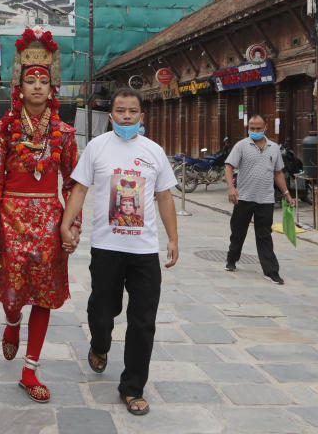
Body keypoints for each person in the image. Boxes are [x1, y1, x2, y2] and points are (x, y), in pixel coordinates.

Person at [60, 87, 179, 417]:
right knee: (103, 309)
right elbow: (80, 188)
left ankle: (132, 387)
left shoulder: (153, 151)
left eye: (133, 111)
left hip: (144, 252)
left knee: (143, 321)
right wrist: (65, 224)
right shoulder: (97, 148)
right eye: (121, 111)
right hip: (106, 248)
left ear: (142, 115)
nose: (127, 117)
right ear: (110, 115)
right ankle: (100, 344)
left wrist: (173, 239)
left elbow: (165, 197)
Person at [0, 27, 79, 404]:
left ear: (52, 87)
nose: (37, 86)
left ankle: (30, 369)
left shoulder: (66, 134)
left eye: (43, 80)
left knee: (43, 296)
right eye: (30, 80)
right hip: (10, 220)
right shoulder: (2, 131)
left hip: (50, 224)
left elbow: (73, 184)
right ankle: (11, 325)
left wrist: (70, 226)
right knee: (12, 295)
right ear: (18, 88)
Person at [224, 114, 294, 284]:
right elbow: (228, 166)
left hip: (266, 199)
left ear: (265, 127)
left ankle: (271, 271)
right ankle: (231, 259)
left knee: (264, 236)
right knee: (238, 232)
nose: (254, 131)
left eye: (258, 128)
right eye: (252, 128)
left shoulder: (274, 148)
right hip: (244, 198)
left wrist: (286, 193)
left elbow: (278, 173)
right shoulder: (241, 146)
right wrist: (231, 187)